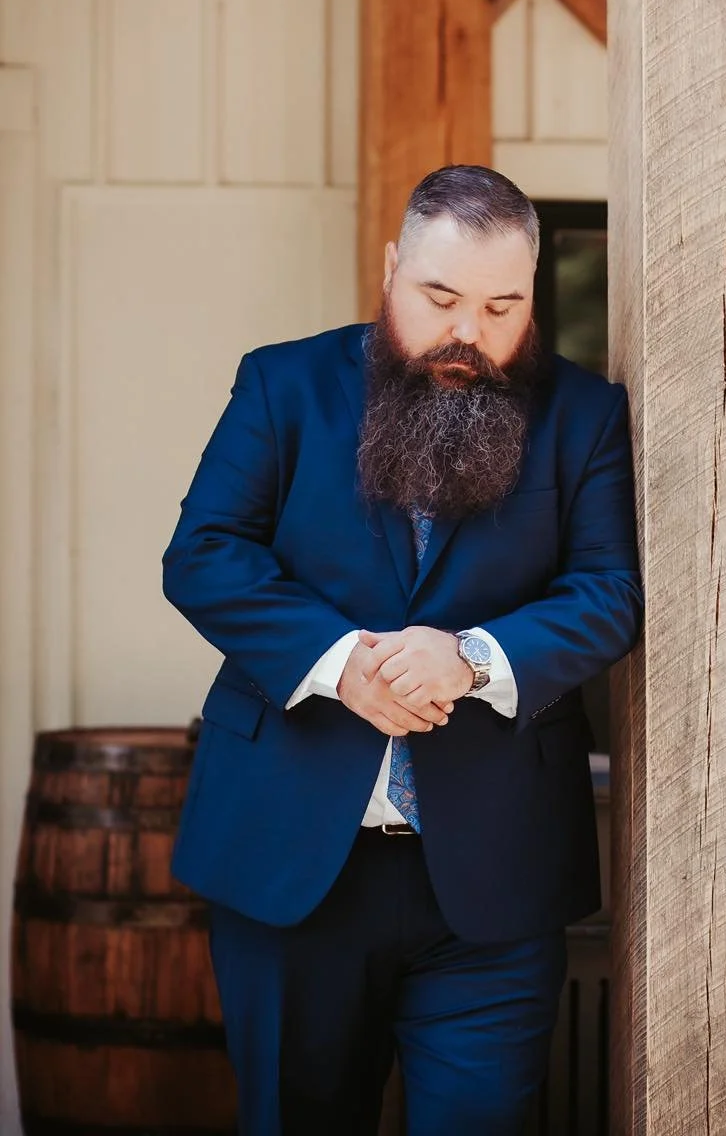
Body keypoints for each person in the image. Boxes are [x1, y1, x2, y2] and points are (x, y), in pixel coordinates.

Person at [162, 164, 644, 1136]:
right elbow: (203, 555)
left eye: (504, 305)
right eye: (441, 297)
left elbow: (608, 595)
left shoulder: (586, 416)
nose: (471, 331)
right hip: (291, 868)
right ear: (392, 270)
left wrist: (469, 657)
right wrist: (345, 667)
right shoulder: (283, 384)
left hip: (494, 881)